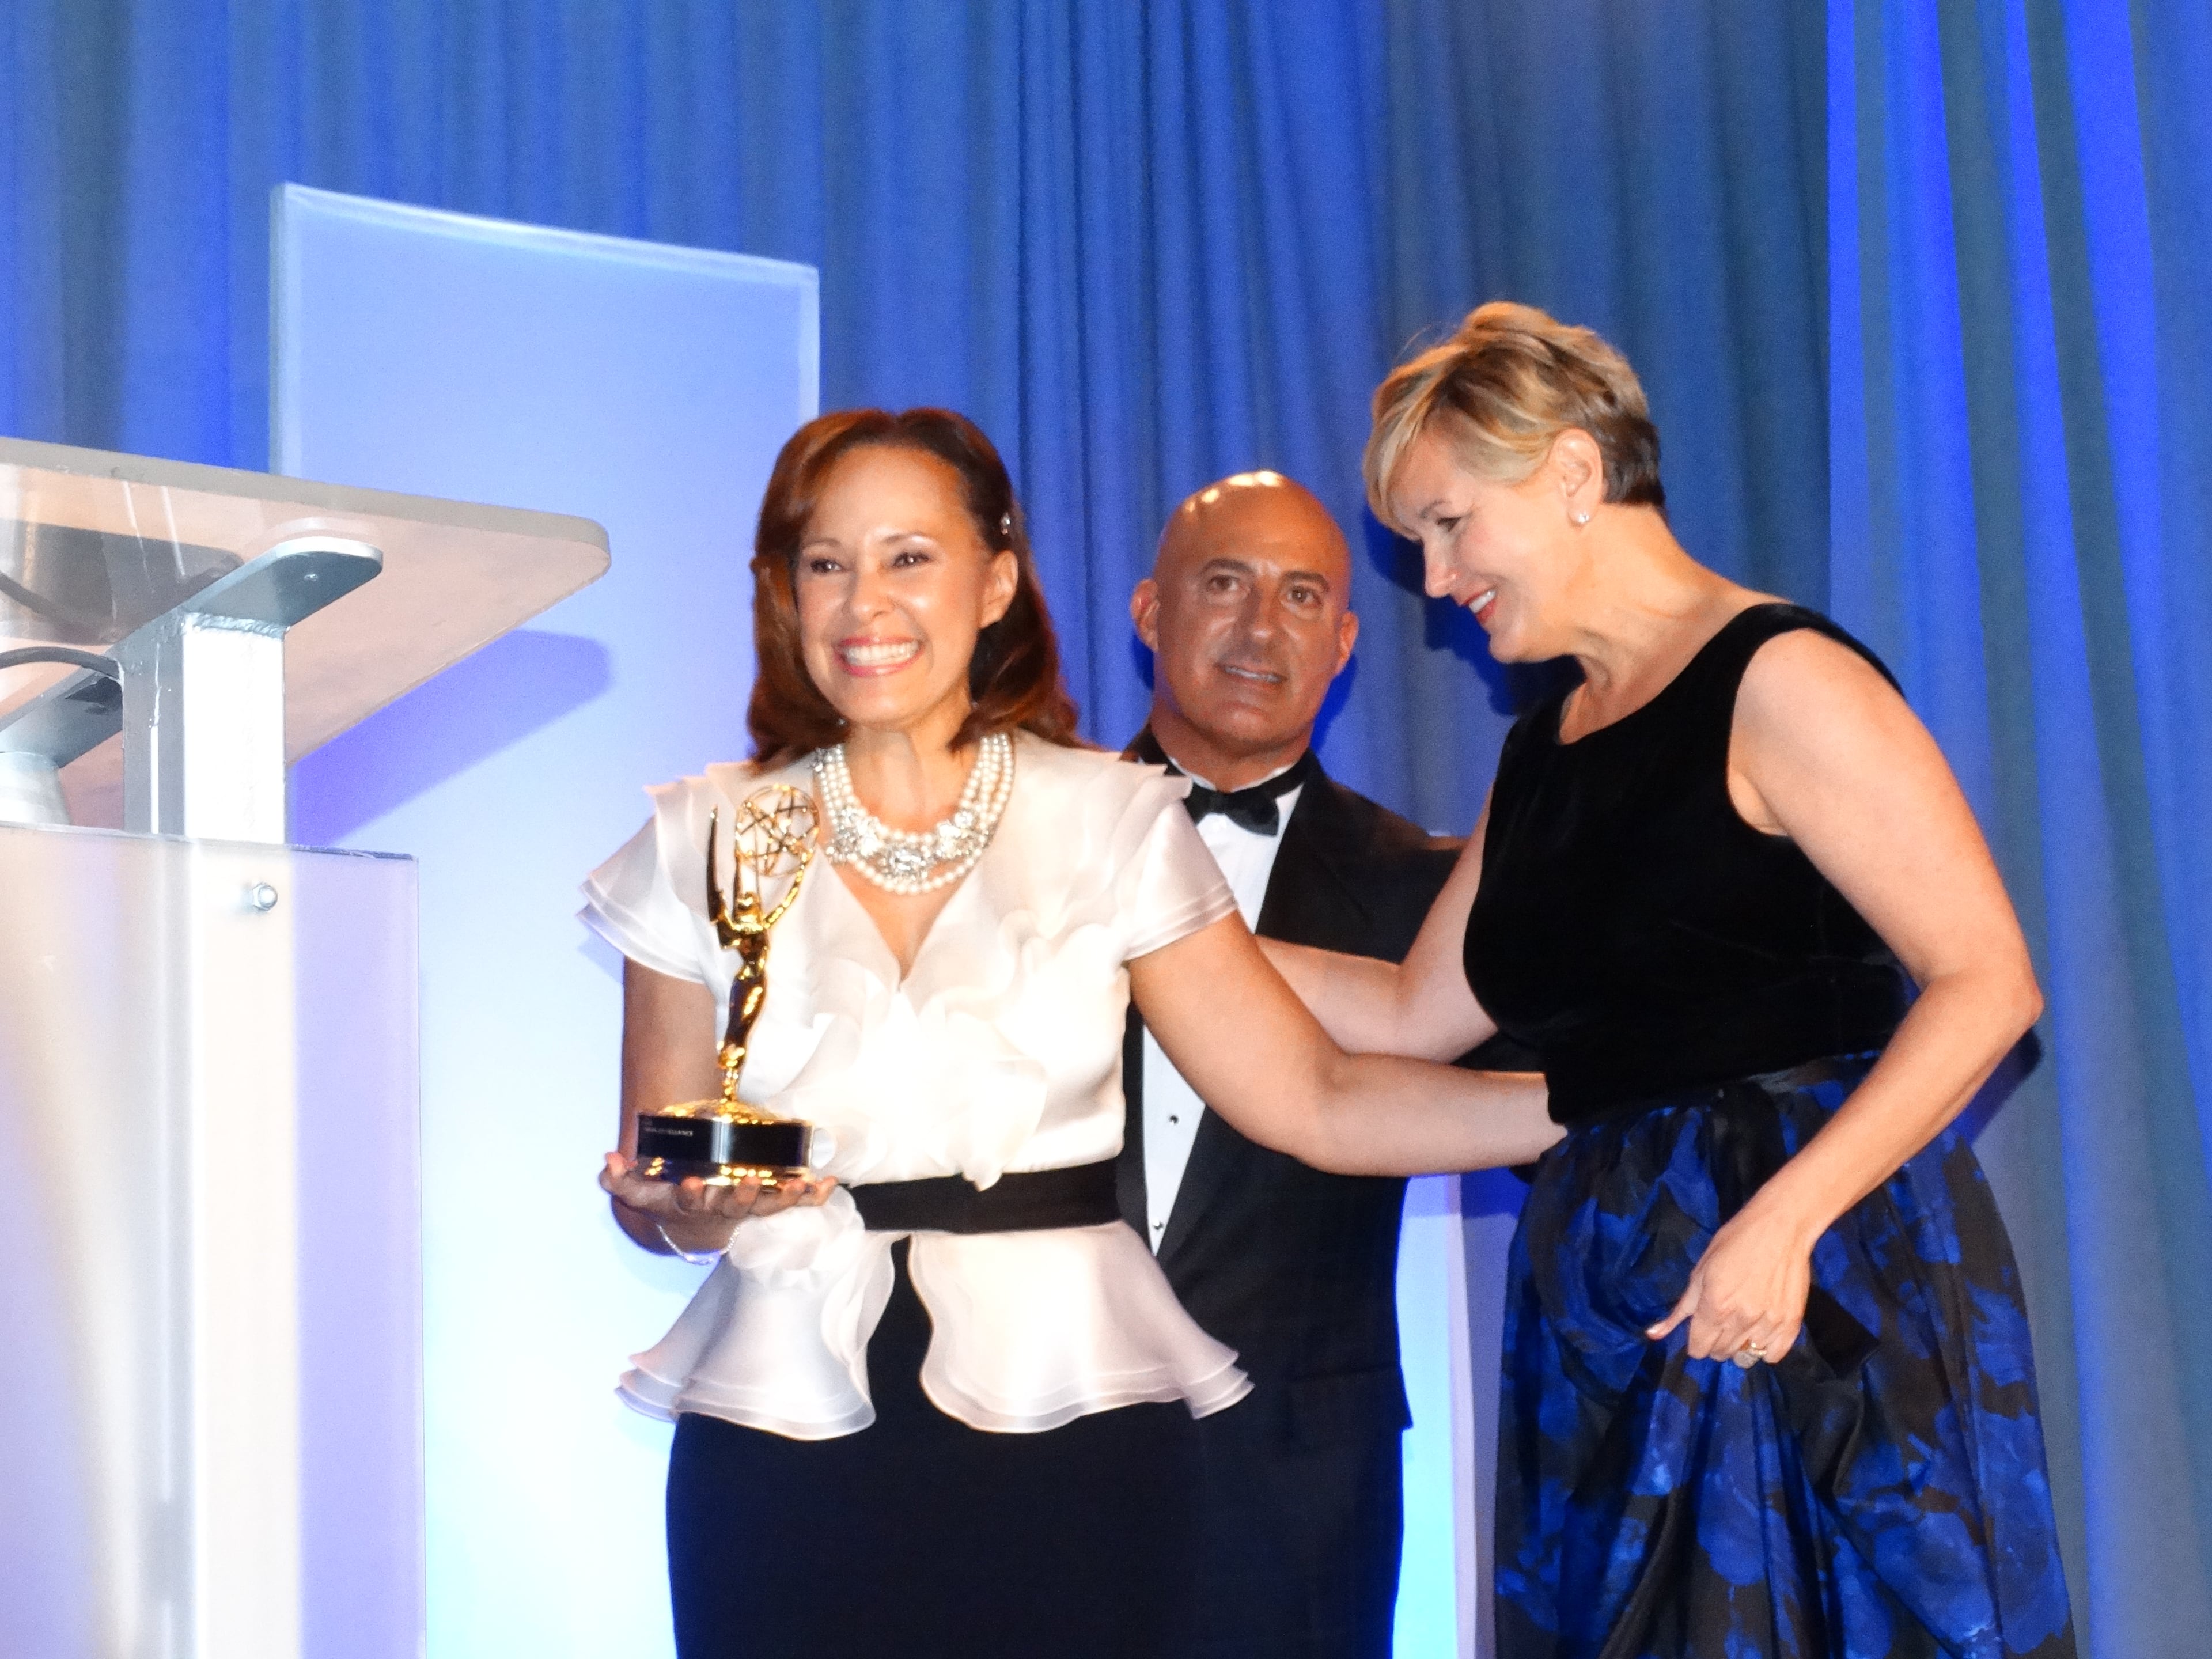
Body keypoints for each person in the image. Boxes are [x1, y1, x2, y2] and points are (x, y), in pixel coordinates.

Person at [582, 407, 1562, 1659]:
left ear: (996, 581)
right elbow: (654, 1187)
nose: (863, 603)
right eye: (826, 562)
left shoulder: (1109, 820)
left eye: (908, 558)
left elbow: (1316, 1095)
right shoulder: (699, 836)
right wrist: (686, 1206)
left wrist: (1595, 1095)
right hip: (780, 1422)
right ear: (782, 591)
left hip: (1073, 1422)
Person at [1265, 304, 2077, 1658]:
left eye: (1451, 523)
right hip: (1608, 1308)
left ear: (1576, 476)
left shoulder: (1779, 681)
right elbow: (1413, 1014)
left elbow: (1988, 981)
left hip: (1814, 1293)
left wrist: (1783, 1222)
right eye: (1418, 537)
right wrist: (1143, 922)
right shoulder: (1543, 752)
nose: (1434, 571)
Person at [1119, 468, 1531, 1658]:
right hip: (1025, 1453)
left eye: (1303, 597)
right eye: (1226, 585)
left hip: (1300, 1489)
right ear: (1151, 612)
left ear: (1347, 643)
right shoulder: (1026, 842)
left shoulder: (1430, 892)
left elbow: (1562, 1121)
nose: (1261, 629)